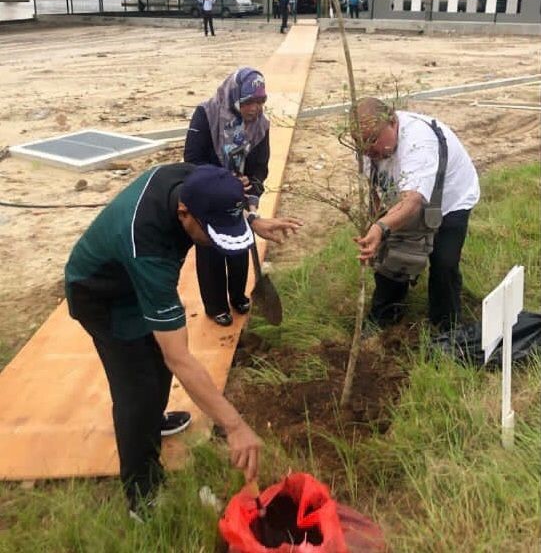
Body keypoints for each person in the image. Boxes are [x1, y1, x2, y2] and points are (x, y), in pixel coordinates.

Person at [65, 163, 301, 519]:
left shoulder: (193, 179)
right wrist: (235, 426)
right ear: (183, 213)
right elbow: (181, 358)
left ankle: (152, 423)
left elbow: (220, 204)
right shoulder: (148, 246)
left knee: (156, 369)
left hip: (134, 278)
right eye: (213, 231)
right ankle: (142, 497)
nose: (214, 239)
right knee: (138, 388)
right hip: (104, 295)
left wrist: (251, 222)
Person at [354, 97, 480, 331]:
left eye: (373, 140)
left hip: (450, 200)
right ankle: (385, 319)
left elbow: (412, 201)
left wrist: (380, 227)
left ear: (392, 122)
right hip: (403, 199)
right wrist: (375, 218)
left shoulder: (418, 143)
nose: (368, 149)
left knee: (444, 262)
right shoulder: (366, 144)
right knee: (393, 258)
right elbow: (372, 186)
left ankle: (446, 328)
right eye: (361, 144)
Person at [184, 68, 269, 327]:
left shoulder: (261, 126)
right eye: (248, 102)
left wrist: (251, 190)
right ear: (234, 97)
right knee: (210, 247)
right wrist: (224, 179)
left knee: (239, 246)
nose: (254, 109)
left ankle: (238, 295)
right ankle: (215, 304)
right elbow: (192, 160)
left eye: (260, 101)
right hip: (208, 193)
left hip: (238, 195)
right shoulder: (206, 115)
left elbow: (259, 165)